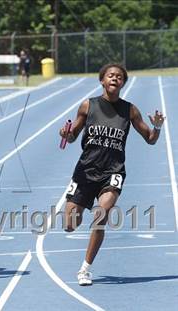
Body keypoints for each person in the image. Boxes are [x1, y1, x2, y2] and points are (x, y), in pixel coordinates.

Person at [59, 63, 165, 286]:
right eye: (111, 75)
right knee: (69, 224)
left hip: (113, 172)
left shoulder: (130, 110)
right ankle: (78, 211)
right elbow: (72, 136)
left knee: (101, 215)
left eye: (119, 77)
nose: (115, 79)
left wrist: (156, 128)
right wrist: (66, 133)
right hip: (85, 171)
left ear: (123, 83)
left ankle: (85, 269)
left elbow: (150, 139)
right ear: (102, 80)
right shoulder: (88, 105)